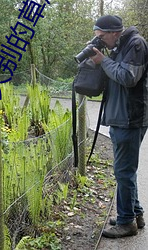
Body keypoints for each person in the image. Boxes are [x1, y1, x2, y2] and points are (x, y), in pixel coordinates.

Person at [90, 15, 148, 238]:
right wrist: (100, 59)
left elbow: (127, 77)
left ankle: (126, 223)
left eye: (102, 37)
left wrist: (103, 61)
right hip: (120, 117)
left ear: (114, 32)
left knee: (123, 171)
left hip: (130, 118)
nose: (101, 41)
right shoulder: (119, 46)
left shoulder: (136, 44)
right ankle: (135, 214)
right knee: (125, 171)